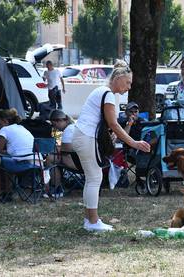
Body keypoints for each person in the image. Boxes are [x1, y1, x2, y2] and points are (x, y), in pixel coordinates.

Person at [72, 61, 150, 232]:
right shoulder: (107, 93)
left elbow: (107, 124)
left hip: (81, 135)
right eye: (128, 82)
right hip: (86, 136)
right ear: (119, 78)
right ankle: (93, 222)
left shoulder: (102, 91)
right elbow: (114, 124)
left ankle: (89, 220)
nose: (129, 87)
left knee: (92, 178)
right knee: (95, 178)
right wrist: (134, 143)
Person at [0, 108, 35, 203]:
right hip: (33, 163)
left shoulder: (5, 129)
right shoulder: (22, 128)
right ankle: (8, 191)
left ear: (5, 121)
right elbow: (12, 150)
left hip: (20, 163)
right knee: (6, 159)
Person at [46, 109, 80, 198]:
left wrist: (54, 150)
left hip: (78, 163)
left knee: (50, 159)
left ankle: (56, 188)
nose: (55, 128)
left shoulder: (68, 130)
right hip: (87, 160)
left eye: (55, 125)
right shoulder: (75, 126)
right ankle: (58, 186)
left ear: (60, 121)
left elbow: (66, 150)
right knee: (56, 158)